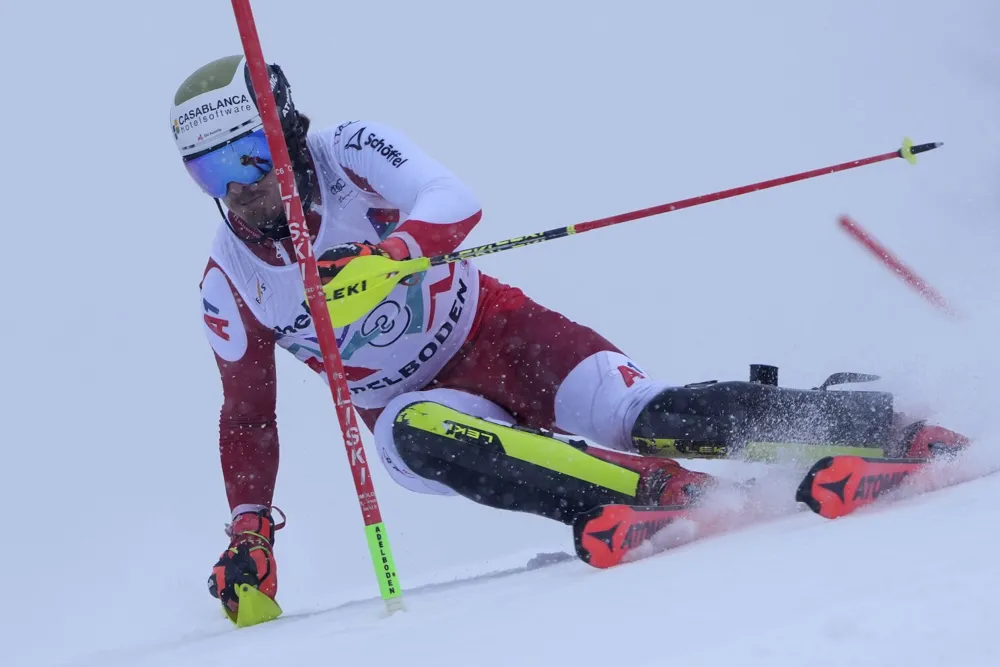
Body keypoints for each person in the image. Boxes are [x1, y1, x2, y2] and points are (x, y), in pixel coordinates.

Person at [170, 55, 968, 618]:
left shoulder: (346, 150)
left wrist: (394, 254)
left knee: (645, 415)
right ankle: (650, 495)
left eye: (247, 159)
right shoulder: (229, 280)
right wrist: (249, 528)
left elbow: (455, 196)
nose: (238, 191)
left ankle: (892, 429)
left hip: (498, 329)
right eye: (210, 175)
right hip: (411, 404)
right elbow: (247, 414)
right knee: (416, 434)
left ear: (283, 129)